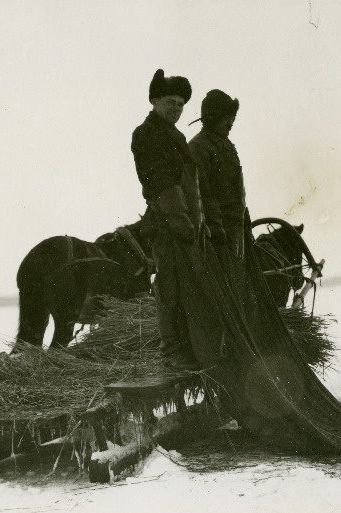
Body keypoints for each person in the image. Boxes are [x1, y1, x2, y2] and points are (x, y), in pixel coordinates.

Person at [131, 69, 206, 371]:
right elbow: (160, 183)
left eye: (181, 105)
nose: (176, 109)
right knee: (169, 286)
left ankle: (187, 347)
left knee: (186, 285)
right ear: (154, 101)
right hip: (167, 222)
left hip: (185, 220)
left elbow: (189, 181)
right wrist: (184, 223)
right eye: (170, 102)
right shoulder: (147, 133)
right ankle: (170, 350)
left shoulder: (174, 135)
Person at [187, 89, 252, 258]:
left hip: (236, 230)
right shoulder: (198, 147)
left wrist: (246, 227)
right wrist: (216, 229)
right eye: (227, 118)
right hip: (215, 234)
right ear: (213, 117)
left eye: (233, 118)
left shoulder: (228, 146)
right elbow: (202, 193)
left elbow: (239, 192)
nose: (231, 122)